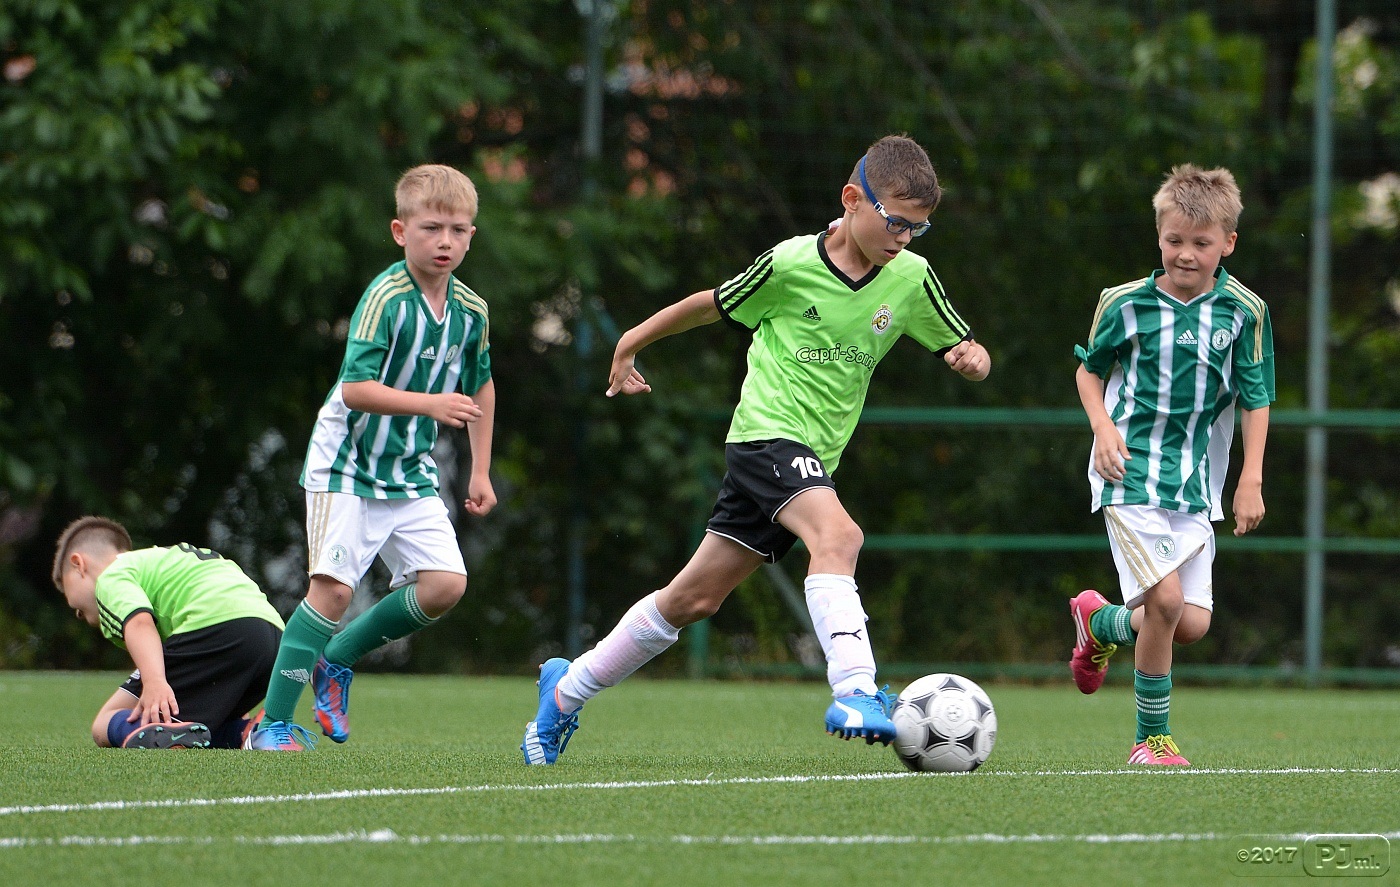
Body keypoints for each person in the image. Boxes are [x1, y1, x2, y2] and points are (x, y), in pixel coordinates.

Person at [522, 134, 991, 765]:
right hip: (766, 436)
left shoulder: (910, 278)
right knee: (840, 537)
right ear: (853, 199)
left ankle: (565, 690)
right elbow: (710, 306)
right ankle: (855, 690)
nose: (903, 238)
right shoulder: (791, 264)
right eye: (896, 222)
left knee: (692, 599)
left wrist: (973, 359)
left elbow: (963, 345)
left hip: (814, 460)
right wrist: (632, 340)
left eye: (917, 228)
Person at [245, 164, 497, 751]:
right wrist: (432, 404)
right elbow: (356, 389)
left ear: (471, 236)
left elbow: (481, 384)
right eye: (431, 228)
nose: (445, 241)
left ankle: (337, 658)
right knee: (332, 592)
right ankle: (272, 725)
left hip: (408, 467)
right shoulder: (385, 298)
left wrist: (480, 469)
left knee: (446, 585)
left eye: (458, 230)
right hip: (346, 464)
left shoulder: (472, 311)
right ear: (400, 231)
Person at [1068, 164, 1274, 766]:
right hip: (1128, 472)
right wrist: (1102, 428)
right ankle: (1149, 740)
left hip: (1193, 483)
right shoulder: (1124, 302)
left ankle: (1100, 623)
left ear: (1228, 243)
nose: (1186, 254)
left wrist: (1250, 477)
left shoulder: (1244, 311)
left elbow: (1256, 397)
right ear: (1158, 235)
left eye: (1201, 243)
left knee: (1190, 623)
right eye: (1174, 240)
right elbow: (1089, 371)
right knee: (1163, 603)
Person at [52, 516, 284, 749]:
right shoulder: (162, 560)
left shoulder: (111, 576)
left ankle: (160, 731)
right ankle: (249, 732)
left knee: (103, 723)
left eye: (76, 608)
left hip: (217, 627)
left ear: (78, 564)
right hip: (273, 640)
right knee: (204, 720)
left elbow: (140, 623)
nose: (80, 615)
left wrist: (154, 681)